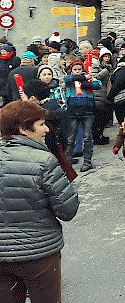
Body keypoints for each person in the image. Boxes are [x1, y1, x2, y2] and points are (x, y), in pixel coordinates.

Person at [0, 101, 79, 303]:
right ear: (24, 128)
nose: (46, 129)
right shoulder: (43, 160)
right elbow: (67, 210)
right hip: (39, 253)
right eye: (42, 124)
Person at [63, 59, 101, 172]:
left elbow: (97, 85)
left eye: (79, 69)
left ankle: (87, 161)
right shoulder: (68, 78)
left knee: (87, 137)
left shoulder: (88, 77)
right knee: (71, 139)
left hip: (87, 110)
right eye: (75, 70)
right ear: (72, 70)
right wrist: (83, 78)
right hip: (72, 111)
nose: (77, 71)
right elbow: (66, 80)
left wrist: (85, 82)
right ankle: (68, 162)